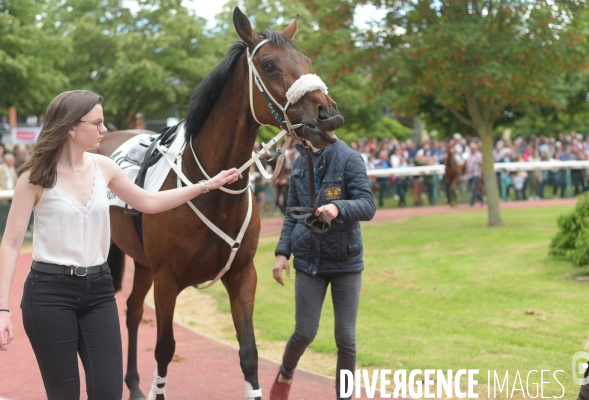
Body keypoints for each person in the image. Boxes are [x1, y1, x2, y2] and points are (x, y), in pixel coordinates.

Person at [0, 90, 240, 399]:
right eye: (97, 123)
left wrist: (206, 185)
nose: (103, 130)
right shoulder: (34, 178)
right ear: (72, 126)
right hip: (48, 294)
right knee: (64, 394)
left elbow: (149, 202)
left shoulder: (105, 167)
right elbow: (10, 245)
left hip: (99, 290)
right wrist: (2, 308)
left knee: (109, 393)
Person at [269, 138, 376, 400]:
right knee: (304, 332)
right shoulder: (299, 162)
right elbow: (292, 213)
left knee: (346, 338)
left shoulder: (350, 159)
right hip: (308, 261)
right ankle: (286, 372)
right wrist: (283, 253)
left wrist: (338, 206)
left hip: (345, 262)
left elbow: (368, 205)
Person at [465, 141, 484, 207]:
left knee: (473, 188)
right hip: (470, 175)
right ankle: (481, 199)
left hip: (476, 174)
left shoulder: (479, 155)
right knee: (472, 189)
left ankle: (471, 204)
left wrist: (481, 174)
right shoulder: (469, 155)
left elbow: (481, 164)